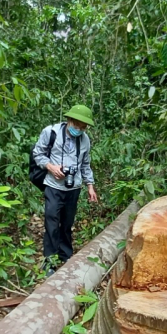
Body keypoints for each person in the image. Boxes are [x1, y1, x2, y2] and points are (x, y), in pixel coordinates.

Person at [32, 104, 98, 273]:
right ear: (69, 120)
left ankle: (66, 256)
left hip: (73, 187)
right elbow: (38, 154)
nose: (80, 130)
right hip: (53, 186)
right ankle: (50, 260)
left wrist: (90, 186)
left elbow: (85, 164)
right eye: (77, 126)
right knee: (51, 221)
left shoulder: (85, 140)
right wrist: (51, 167)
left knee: (67, 224)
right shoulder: (51, 133)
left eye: (83, 127)